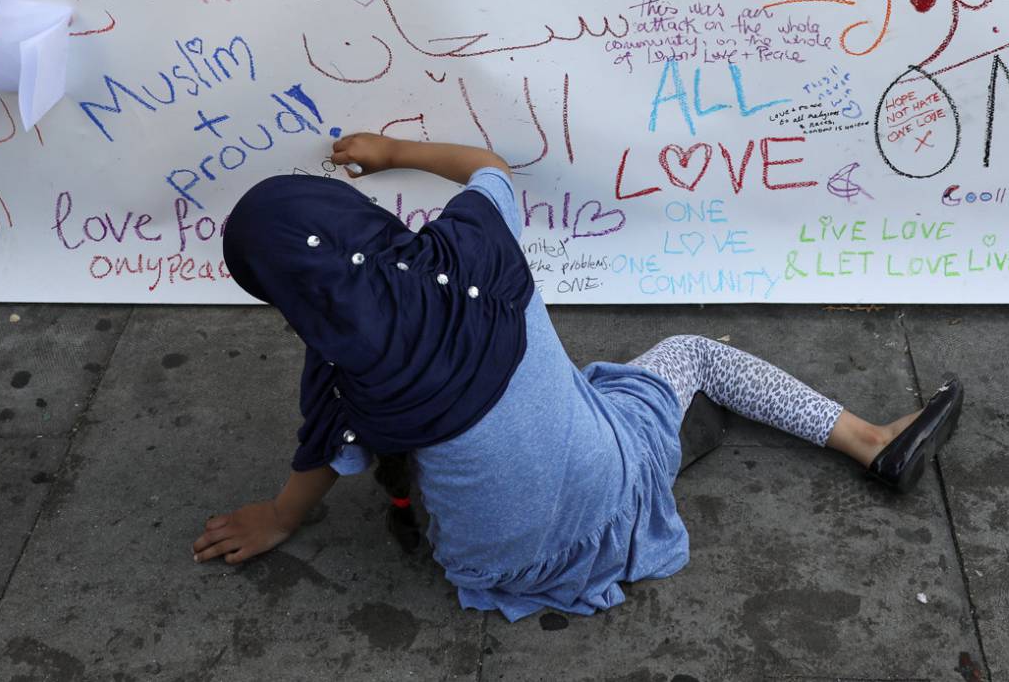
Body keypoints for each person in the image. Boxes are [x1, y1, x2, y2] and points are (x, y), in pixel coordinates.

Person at [192, 133, 964, 619]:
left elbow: (322, 460)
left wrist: (279, 519)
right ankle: (870, 441)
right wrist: (393, 150)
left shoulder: (341, 369)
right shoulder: (476, 239)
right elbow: (489, 166)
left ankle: (651, 435)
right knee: (690, 351)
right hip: (609, 493)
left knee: (393, 438)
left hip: (498, 562)